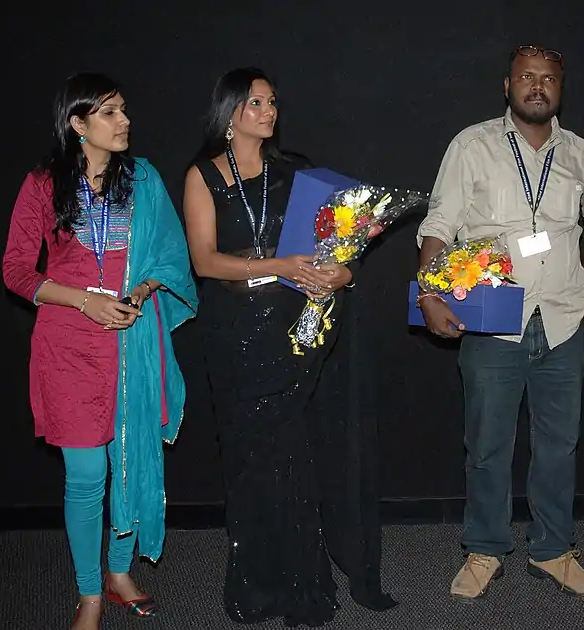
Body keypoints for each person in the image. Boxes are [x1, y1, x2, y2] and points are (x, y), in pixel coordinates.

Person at [181, 67, 396, 627]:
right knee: (250, 461)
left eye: (273, 101)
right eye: (256, 102)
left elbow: (336, 245)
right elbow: (204, 261)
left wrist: (343, 271)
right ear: (230, 113)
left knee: (293, 456)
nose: (269, 111)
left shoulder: (294, 171)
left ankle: (304, 582)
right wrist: (278, 265)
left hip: (292, 334)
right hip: (234, 335)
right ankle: (257, 581)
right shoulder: (203, 176)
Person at [1, 73, 198, 630]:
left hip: (131, 341)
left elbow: (168, 257)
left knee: (129, 461)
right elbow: (16, 271)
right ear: (77, 124)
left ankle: (118, 572)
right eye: (109, 113)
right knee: (86, 475)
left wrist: (139, 290)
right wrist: (82, 302)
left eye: (124, 110)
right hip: (68, 347)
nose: (124, 121)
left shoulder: (144, 180)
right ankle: (88, 593)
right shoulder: (43, 184)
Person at [417, 45, 584, 600]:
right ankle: (485, 549)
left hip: (563, 320)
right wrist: (429, 291)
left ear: (560, 88)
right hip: (493, 320)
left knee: (559, 444)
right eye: (527, 76)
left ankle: (553, 550)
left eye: (549, 78)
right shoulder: (472, 145)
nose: (537, 86)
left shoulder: (582, 154)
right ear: (507, 85)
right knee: (486, 444)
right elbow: (439, 224)